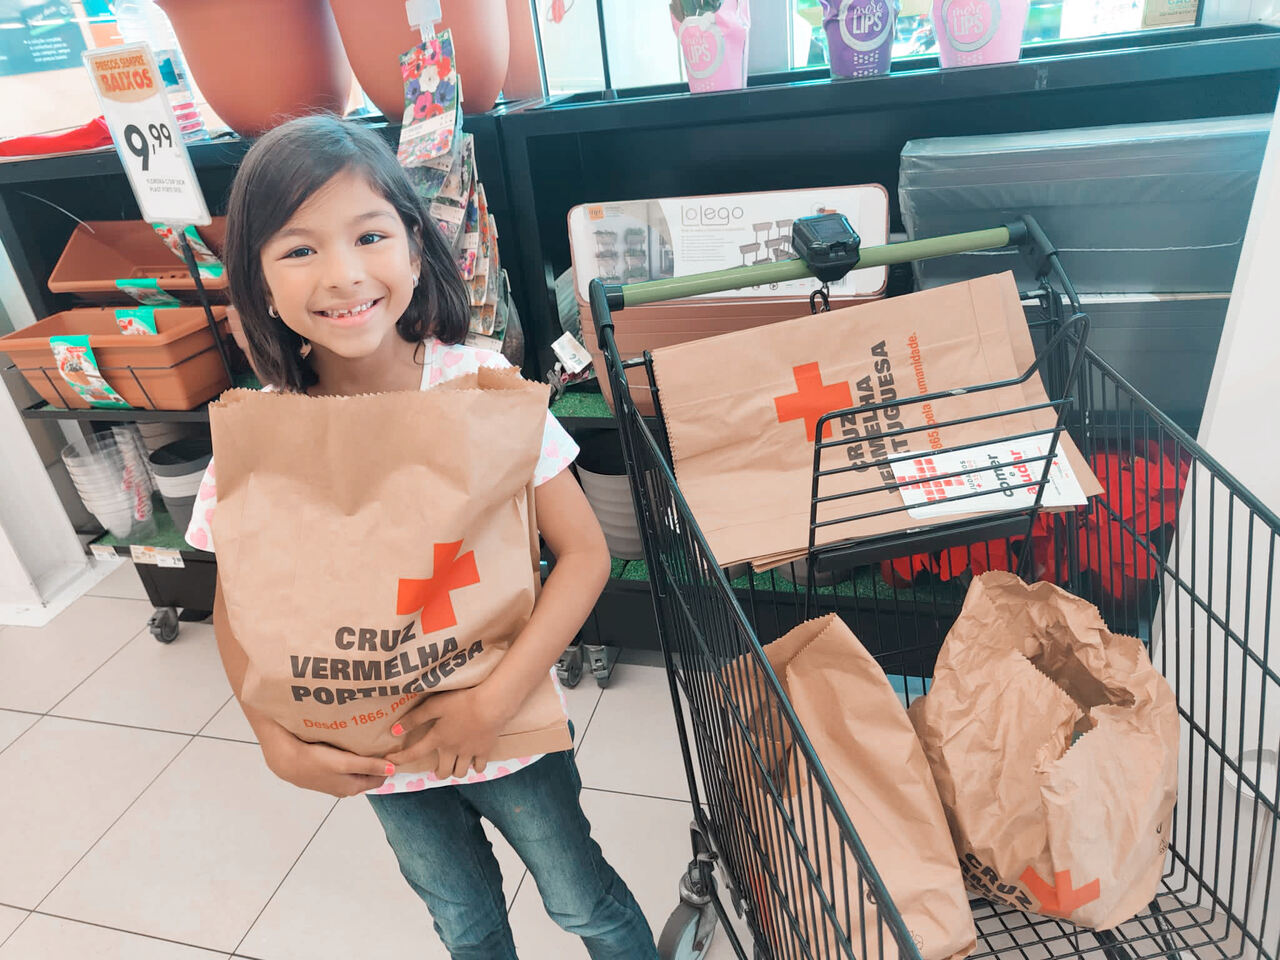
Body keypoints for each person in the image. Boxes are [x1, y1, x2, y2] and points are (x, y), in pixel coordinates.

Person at [186, 114, 659, 960]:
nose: (343, 274)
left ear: (415, 246)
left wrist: (492, 701)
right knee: (465, 925)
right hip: (378, 757)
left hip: (507, 732)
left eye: (369, 235)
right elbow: (237, 608)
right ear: (256, 281)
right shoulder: (261, 438)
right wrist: (273, 740)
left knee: (582, 901)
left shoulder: (481, 388)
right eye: (299, 249)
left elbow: (586, 554)